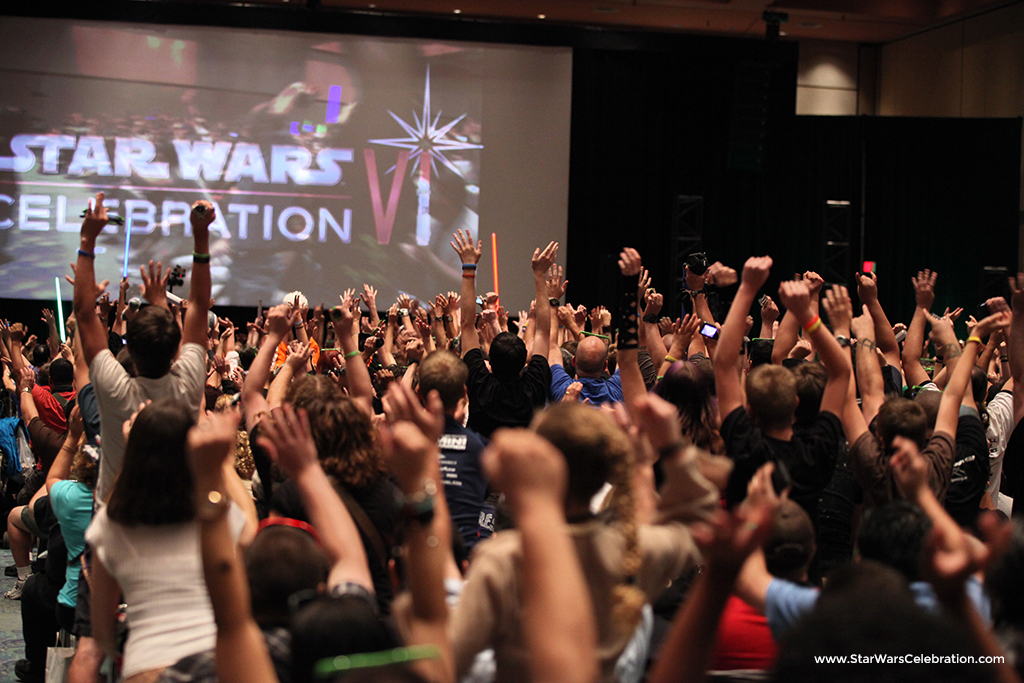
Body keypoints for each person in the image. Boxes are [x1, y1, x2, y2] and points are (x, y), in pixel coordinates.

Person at [86, 400, 255, 682]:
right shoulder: (213, 513)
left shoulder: (111, 523)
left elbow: (102, 631)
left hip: (146, 666)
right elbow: (249, 529)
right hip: (215, 663)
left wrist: (135, 449)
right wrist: (219, 463)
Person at [73, 192, 215, 502]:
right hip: (178, 515)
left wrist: (88, 240)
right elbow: (200, 307)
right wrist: (201, 235)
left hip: (117, 517)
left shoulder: (114, 389)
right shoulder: (189, 384)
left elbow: (83, 315)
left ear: (129, 349)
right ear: (175, 346)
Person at [450, 230, 555, 437]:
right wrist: (540, 276)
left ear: (490, 361)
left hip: (482, 464)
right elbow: (543, 331)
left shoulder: (480, 383)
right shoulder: (534, 386)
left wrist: (469, 267)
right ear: (523, 362)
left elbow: (467, 324)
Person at [417, 350, 494, 551]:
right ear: (464, 394)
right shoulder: (481, 447)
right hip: (466, 555)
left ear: (419, 393)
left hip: (419, 555)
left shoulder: (405, 447)